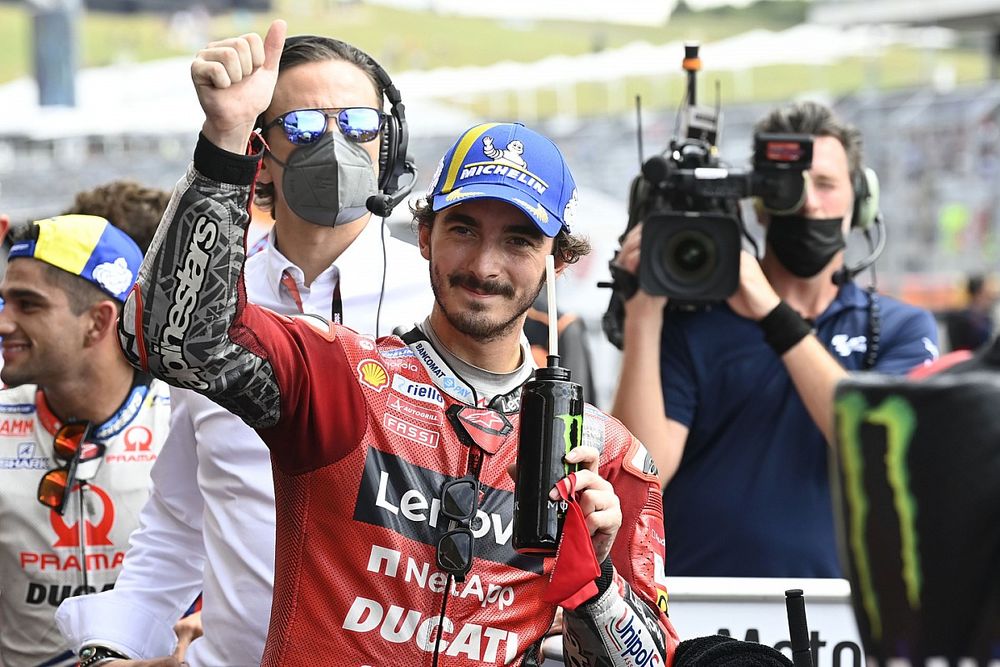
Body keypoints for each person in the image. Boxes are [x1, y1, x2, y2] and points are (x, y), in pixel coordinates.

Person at [115, 20, 678, 665]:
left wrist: (594, 583)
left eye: (519, 240)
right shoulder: (339, 378)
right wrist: (223, 146)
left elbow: (647, 661)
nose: (486, 264)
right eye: (464, 228)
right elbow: (176, 338)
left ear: (559, 258)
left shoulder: (603, 452)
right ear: (428, 235)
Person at [56, 29, 431, 667]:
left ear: (387, 145)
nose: (337, 145)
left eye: (360, 124)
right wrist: (110, 646)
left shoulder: (440, 297)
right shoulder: (207, 312)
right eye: (306, 126)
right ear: (261, 150)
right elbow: (180, 519)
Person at [611, 100, 940, 578]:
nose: (808, 201)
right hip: (705, 615)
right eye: (788, 186)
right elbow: (640, 473)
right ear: (759, 203)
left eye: (825, 184)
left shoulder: (900, 328)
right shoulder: (694, 323)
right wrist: (643, 314)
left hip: (838, 618)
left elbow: (875, 444)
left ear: (861, 202)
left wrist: (771, 313)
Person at [0, 215, 172, 667]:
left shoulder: (184, 423)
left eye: (27, 305)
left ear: (98, 322)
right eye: (4, 302)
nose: (3, 323)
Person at [945, 274, 996, 352]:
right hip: (967, 360)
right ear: (978, 293)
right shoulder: (960, 317)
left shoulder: (986, 317)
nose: (991, 295)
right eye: (987, 292)